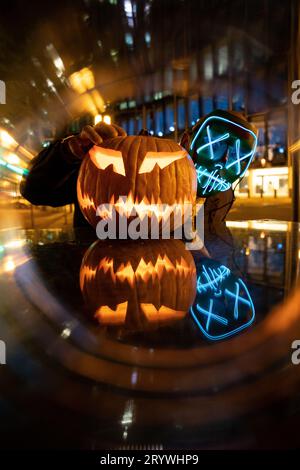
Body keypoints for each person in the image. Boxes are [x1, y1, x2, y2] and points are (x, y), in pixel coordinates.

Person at [21, 121, 234, 228]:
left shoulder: (213, 189)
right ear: (187, 141)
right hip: (97, 266)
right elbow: (34, 190)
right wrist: (68, 152)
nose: (134, 182)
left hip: (165, 276)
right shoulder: (97, 163)